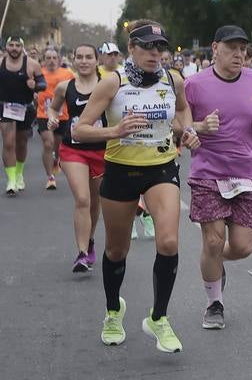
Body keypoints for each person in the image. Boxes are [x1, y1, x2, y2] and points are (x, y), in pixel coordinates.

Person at [74, 21, 197, 352]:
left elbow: (183, 110)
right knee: (117, 250)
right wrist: (114, 132)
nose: (155, 54)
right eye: (148, 47)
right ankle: (114, 311)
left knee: (169, 241)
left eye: (160, 48)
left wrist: (187, 130)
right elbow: (79, 131)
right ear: (132, 48)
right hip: (120, 170)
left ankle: (159, 318)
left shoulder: (173, 80)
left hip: (161, 167)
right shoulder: (113, 83)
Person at [183, 26, 252, 329]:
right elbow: (178, 124)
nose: (239, 54)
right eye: (232, 48)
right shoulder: (194, 84)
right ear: (215, 48)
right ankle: (214, 304)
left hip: (246, 172)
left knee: (243, 246)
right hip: (207, 170)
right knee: (213, 240)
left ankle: (213, 263)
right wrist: (197, 127)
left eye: (243, 49)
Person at [48, 44, 106, 270]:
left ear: (96, 60)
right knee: (82, 199)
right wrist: (53, 118)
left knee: (95, 201)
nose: (83, 61)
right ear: (73, 59)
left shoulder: (107, 86)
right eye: (79, 57)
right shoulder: (65, 87)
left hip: (102, 150)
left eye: (88, 57)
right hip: (73, 149)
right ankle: (82, 253)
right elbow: (53, 108)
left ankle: (90, 240)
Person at [2, 35, 45, 194]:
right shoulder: (1, 63)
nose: (14, 48)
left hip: (25, 109)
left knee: (21, 144)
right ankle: (11, 180)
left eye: (17, 46)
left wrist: (36, 85)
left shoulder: (32, 64)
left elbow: (43, 84)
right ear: (7, 47)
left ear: (22, 48)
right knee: (8, 143)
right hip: (5, 108)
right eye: (11, 45)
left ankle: (19, 174)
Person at [36, 47, 74, 190]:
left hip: (62, 115)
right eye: (48, 58)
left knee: (57, 145)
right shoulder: (39, 74)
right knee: (48, 143)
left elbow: (75, 88)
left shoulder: (68, 74)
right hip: (44, 114)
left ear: (59, 59)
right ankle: (50, 177)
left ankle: (56, 159)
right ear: (44, 60)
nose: (51, 61)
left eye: (54, 58)